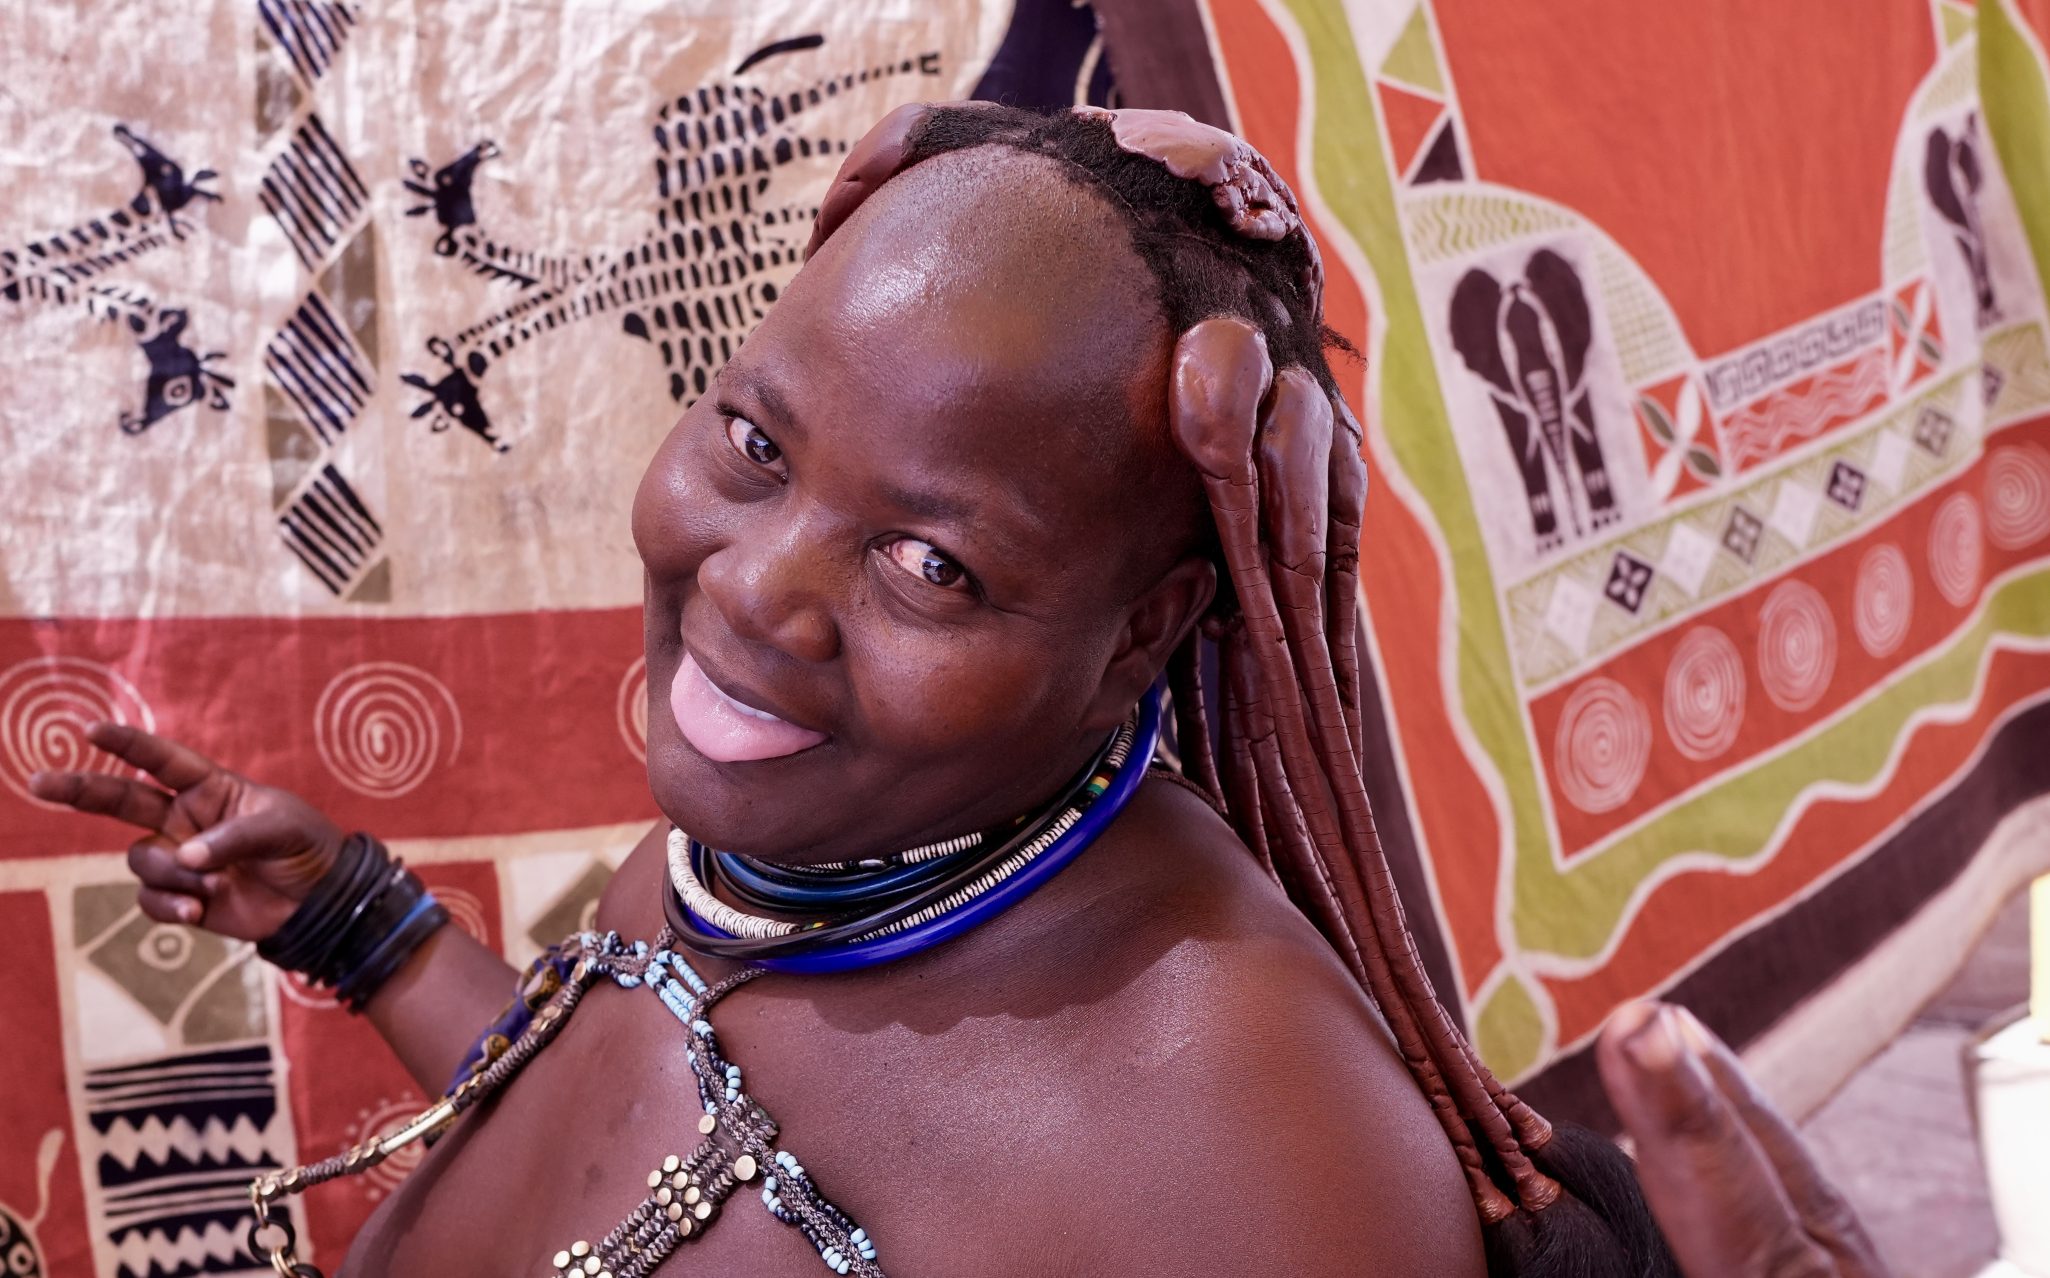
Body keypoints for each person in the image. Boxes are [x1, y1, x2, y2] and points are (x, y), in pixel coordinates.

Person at [30, 102, 1880, 1277]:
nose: (755, 587)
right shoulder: (796, 850)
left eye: (932, 564)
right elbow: (658, 1131)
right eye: (756, 443)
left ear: (1145, 630)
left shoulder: (1234, 1134)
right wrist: (359, 925)